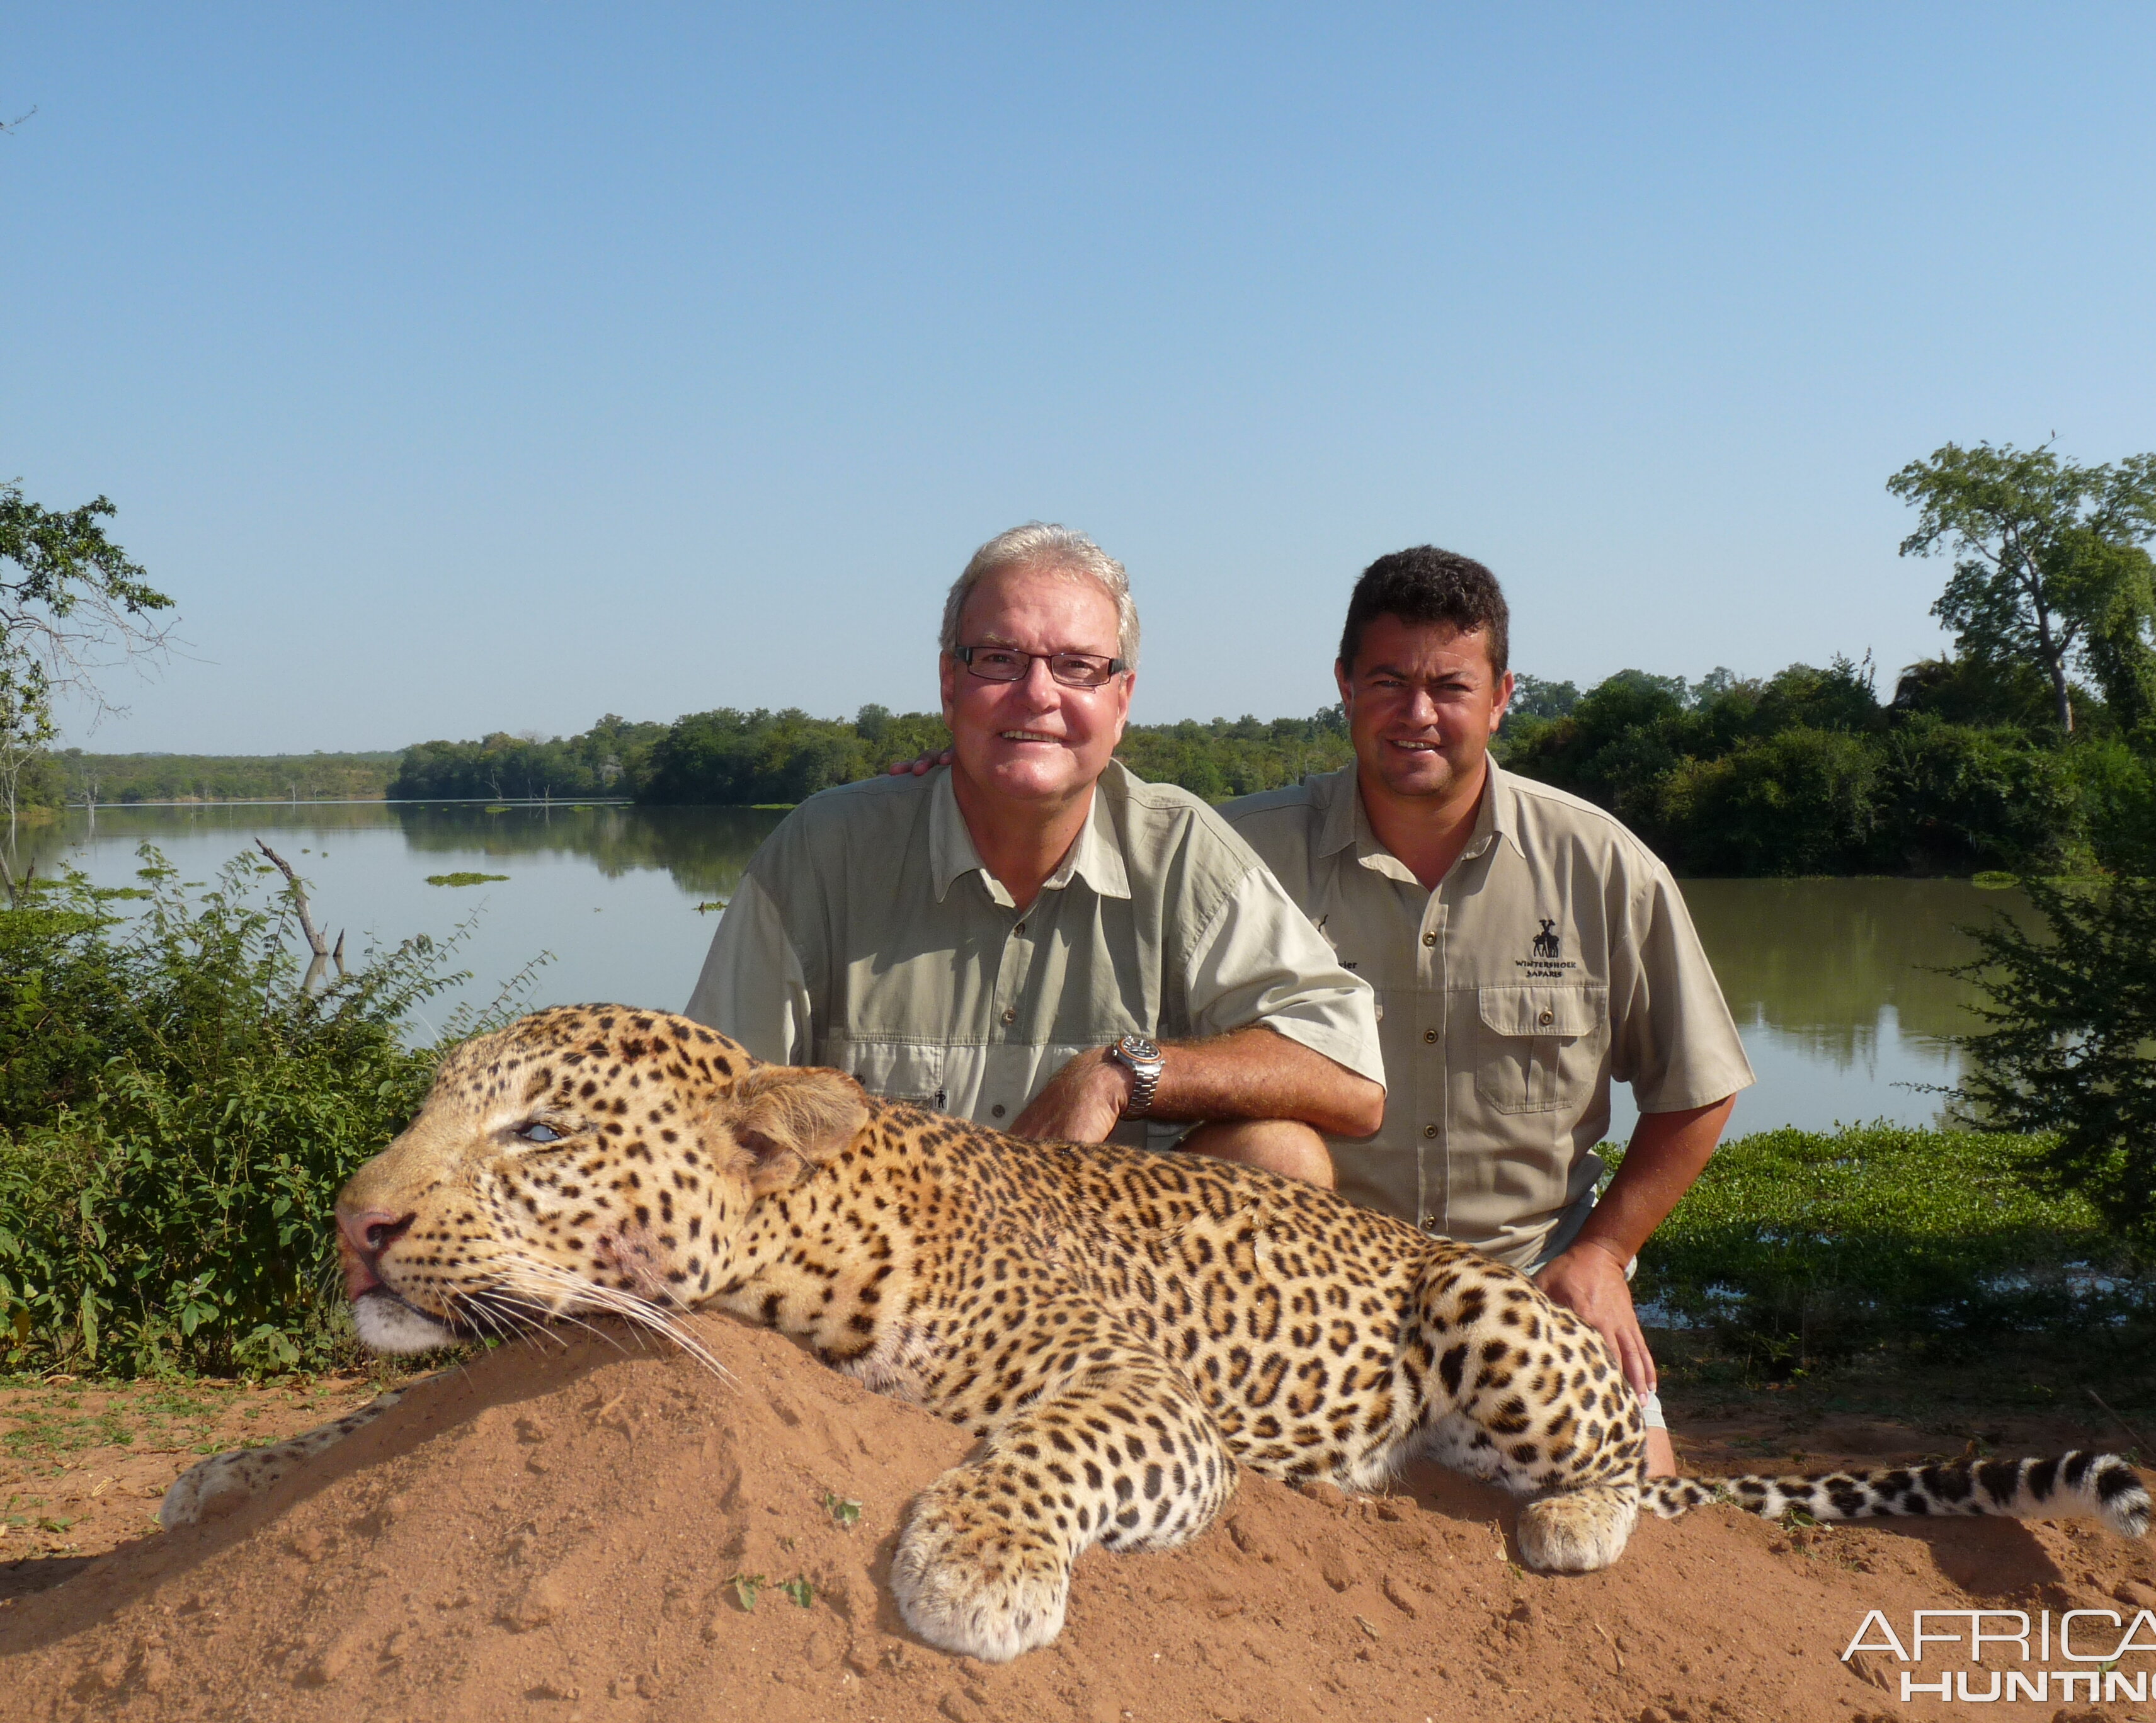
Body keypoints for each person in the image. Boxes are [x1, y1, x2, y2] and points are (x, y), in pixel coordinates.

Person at [1223, 547, 1754, 1474]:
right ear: (1344, 685)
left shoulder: (1604, 866)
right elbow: (1080, 823)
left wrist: (1607, 1253)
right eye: (1387, 679)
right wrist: (949, 779)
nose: (1417, 713)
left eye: (1450, 686)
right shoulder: (1237, 857)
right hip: (1312, 1311)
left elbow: (1699, 1087)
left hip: (1534, 1295)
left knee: (1651, 1519)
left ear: (1503, 695)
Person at [687, 522, 1385, 1180]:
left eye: (1078, 666)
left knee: (1280, 1155)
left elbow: (1350, 1077)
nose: (1037, 694)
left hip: (1095, 1284)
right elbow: (704, 1119)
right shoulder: (823, 852)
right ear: (950, 684)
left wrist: (1121, 1074)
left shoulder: (1182, 854)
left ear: (1122, 700)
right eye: (1000, 659)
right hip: (868, 1277)